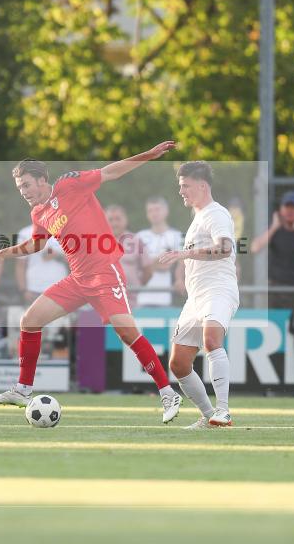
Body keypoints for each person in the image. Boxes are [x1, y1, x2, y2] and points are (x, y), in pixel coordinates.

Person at [0, 141, 183, 423]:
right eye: (19, 188)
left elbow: (111, 172)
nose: (23, 192)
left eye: (26, 185)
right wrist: (3, 253)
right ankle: (23, 389)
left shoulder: (70, 184)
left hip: (104, 272)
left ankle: (167, 392)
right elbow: (37, 245)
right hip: (78, 279)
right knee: (30, 320)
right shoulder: (39, 213)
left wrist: (148, 154)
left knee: (127, 333)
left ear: (42, 180)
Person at [158, 162, 239, 429]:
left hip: (219, 288)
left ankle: (224, 411)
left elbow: (225, 249)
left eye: (185, 186)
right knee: (179, 363)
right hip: (196, 298)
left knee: (211, 340)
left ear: (202, 186)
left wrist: (185, 254)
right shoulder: (198, 218)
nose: (180, 191)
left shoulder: (216, 214)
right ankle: (208, 416)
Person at [251, 191, 294, 309]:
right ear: (280, 210)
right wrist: (274, 227)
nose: (290, 211)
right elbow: (255, 248)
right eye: (286, 207)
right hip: (274, 290)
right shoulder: (274, 231)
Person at [136, 197, 185, 307]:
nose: (154, 213)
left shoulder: (177, 236)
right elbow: (138, 265)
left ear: (166, 211)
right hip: (141, 298)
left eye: (157, 209)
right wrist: (159, 261)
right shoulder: (140, 236)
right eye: (150, 210)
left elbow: (182, 263)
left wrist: (179, 279)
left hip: (165, 298)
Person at [15, 224, 68, 304]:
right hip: (33, 290)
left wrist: (57, 255)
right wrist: (23, 290)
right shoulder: (25, 233)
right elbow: (20, 265)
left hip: (60, 289)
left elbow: (76, 261)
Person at [105, 204, 145, 309]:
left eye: (118, 219)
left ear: (125, 220)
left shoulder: (136, 241)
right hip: (104, 303)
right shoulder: (96, 242)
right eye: (110, 219)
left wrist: (136, 286)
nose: (114, 223)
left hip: (132, 304)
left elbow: (147, 269)